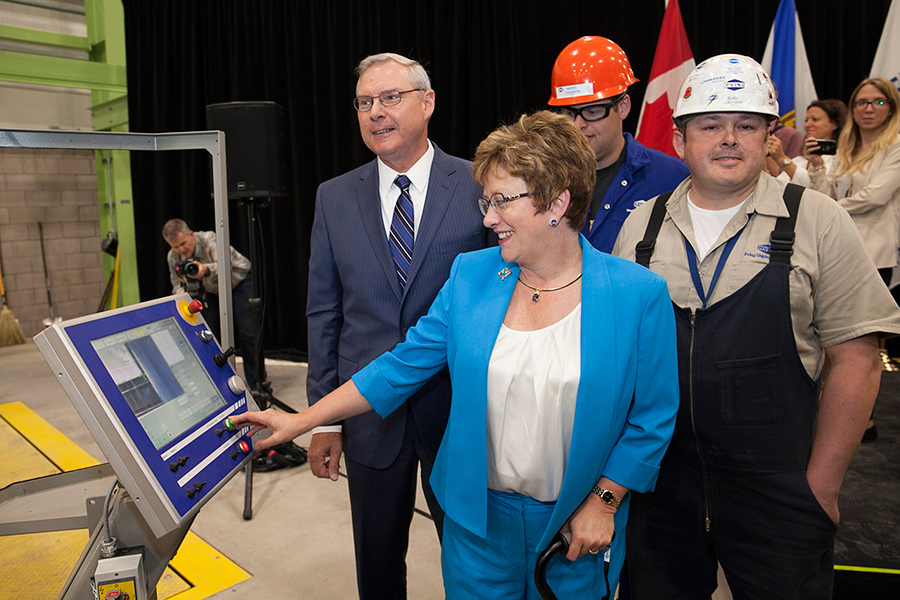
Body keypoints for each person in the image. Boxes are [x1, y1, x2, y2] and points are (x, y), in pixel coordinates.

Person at [233, 111, 679, 599]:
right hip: (475, 523)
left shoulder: (637, 293)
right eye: (485, 202)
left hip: (575, 526)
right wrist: (302, 421)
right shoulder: (471, 276)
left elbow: (652, 416)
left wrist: (605, 499)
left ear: (557, 201)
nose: (487, 218)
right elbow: (398, 368)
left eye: (501, 202)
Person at [612, 54, 900, 598]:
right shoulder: (640, 227)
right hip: (660, 489)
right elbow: (621, 361)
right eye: (710, 125)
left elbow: (857, 359)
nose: (728, 139)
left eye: (746, 125)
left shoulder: (817, 220)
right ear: (679, 141)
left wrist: (821, 488)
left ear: (770, 137)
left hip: (780, 492)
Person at [304, 53, 491, 600]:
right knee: (378, 559)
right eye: (364, 102)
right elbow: (324, 311)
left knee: (472, 556)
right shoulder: (334, 196)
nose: (376, 113)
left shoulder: (477, 183)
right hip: (368, 415)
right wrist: (324, 418)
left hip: (455, 409)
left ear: (427, 103)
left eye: (390, 98)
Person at [809, 77, 900, 442]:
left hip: (874, 252)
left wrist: (825, 210)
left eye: (878, 102)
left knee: (858, 346)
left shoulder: (894, 145)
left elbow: (876, 196)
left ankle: (862, 420)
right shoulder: (845, 146)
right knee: (829, 339)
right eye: (861, 102)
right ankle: (833, 412)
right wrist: (817, 169)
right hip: (835, 249)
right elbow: (823, 190)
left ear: (891, 108)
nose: (867, 109)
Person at [547, 36, 689, 253]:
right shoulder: (543, 180)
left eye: (592, 111)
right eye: (568, 113)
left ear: (623, 107)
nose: (578, 124)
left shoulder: (675, 178)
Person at [162, 218, 257, 391]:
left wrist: (205, 269)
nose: (182, 250)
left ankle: (256, 385)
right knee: (210, 335)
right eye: (176, 247)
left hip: (239, 282)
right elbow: (176, 284)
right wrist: (181, 295)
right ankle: (221, 385)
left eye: (183, 243)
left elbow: (225, 265)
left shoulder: (208, 239)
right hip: (212, 290)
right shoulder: (173, 256)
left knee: (248, 334)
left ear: (191, 234)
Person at [765, 98, 847, 187]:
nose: (808, 125)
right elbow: (776, 186)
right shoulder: (799, 160)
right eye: (806, 120)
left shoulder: (842, 159)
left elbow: (815, 189)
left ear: (835, 124)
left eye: (815, 119)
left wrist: (781, 158)